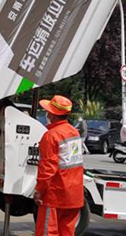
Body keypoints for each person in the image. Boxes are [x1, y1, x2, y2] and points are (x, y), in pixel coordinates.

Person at [34, 95, 84, 236]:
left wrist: (39, 190)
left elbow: (47, 168)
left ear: (52, 114)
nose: (47, 113)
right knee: (67, 232)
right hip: (73, 194)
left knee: (47, 232)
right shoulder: (73, 132)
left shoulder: (51, 136)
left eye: (48, 111)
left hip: (55, 195)